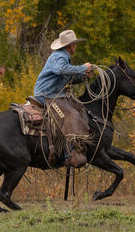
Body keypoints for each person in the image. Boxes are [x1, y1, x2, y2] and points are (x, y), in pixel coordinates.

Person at [33, 30, 93, 168]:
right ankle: (68, 153)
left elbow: (66, 77)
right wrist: (83, 67)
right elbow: (62, 70)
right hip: (46, 95)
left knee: (73, 112)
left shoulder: (62, 56)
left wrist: (83, 75)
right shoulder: (60, 57)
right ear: (70, 45)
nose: (75, 47)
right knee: (68, 117)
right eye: (74, 44)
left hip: (53, 94)